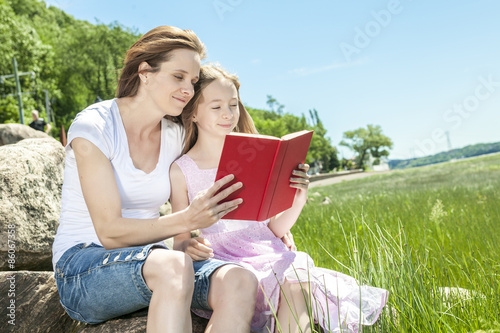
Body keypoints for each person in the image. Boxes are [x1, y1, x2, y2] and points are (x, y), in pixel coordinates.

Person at [52, 26, 260, 333]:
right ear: (145, 73)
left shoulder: (175, 135)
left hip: (153, 263)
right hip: (83, 266)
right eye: (178, 77)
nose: (188, 89)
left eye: (191, 81)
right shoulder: (95, 127)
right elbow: (109, 232)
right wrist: (186, 220)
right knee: (173, 266)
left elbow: (218, 153)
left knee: (239, 280)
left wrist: (190, 242)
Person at [169, 64, 389, 333]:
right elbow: (179, 241)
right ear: (193, 113)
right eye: (216, 107)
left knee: (298, 273)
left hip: (271, 255)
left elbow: (273, 229)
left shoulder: (253, 156)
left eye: (233, 105)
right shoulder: (182, 170)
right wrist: (190, 246)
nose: (228, 115)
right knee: (295, 276)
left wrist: (299, 197)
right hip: (227, 264)